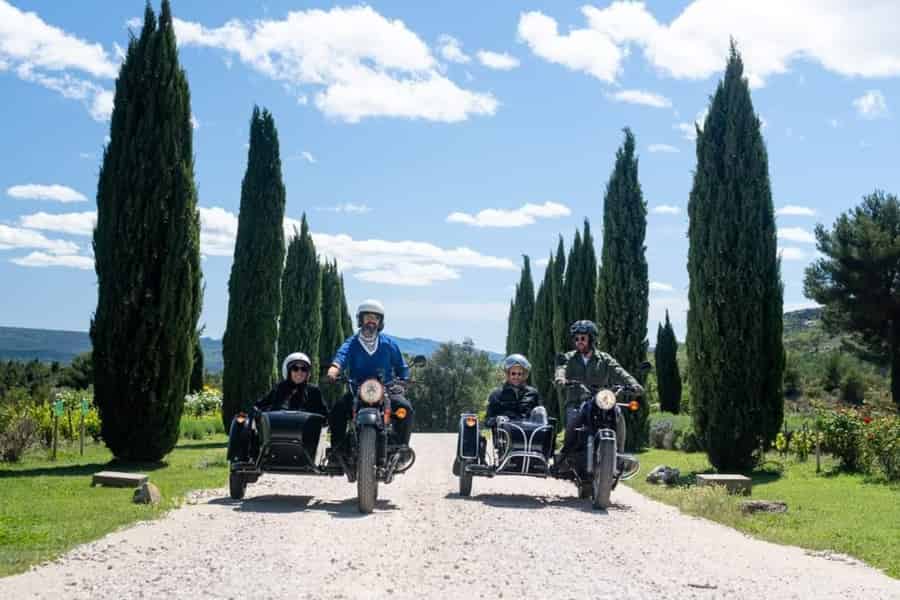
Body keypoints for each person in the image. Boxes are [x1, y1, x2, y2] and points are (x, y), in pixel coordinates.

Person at [326, 299, 413, 457]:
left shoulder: (388, 344)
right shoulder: (352, 343)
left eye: (375, 318)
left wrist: (405, 380)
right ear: (361, 319)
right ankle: (337, 452)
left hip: (386, 390)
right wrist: (333, 370)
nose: (371, 321)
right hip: (357, 390)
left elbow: (401, 366)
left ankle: (401, 449)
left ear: (380, 322)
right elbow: (341, 358)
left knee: (405, 408)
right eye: (368, 317)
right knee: (337, 410)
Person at [553, 320, 643, 471]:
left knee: (618, 414)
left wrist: (634, 385)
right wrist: (561, 379)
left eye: (583, 338)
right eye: (576, 338)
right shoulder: (568, 357)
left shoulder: (604, 359)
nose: (579, 341)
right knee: (572, 421)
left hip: (601, 400)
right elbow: (561, 369)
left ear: (592, 339)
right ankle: (565, 456)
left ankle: (619, 456)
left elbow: (620, 371)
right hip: (576, 401)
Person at [254, 352, 327, 416]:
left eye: (303, 369)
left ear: (307, 373)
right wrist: (256, 411)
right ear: (289, 371)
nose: (299, 372)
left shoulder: (314, 391)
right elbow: (260, 406)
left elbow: (324, 414)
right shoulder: (279, 388)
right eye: (295, 368)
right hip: (280, 427)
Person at [486, 354, 547, 426]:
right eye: (513, 373)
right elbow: (487, 420)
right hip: (506, 432)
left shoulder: (533, 393)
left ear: (524, 375)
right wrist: (497, 419)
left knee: (540, 409)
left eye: (519, 374)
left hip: (530, 431)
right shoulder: (496, 395)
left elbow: (540, 417)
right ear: (508, 374)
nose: (516, 376)